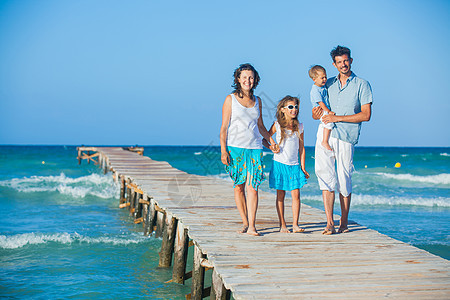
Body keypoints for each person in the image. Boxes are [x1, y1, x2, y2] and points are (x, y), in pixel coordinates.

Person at [312, 45, 373, 235]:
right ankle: (329, 223)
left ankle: (343, 223)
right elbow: (319, 112)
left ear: (351, 61)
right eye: (339, 62)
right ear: (334, 64)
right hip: (325, 135)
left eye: (345, 61)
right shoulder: (327, 83)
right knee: (325, 177)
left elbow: (366, 115)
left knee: (344, 178)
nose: (343, 65)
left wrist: (337, 118)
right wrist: (315, 114)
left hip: (346, 137)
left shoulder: (362, 84)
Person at [220, 63, 278, 236]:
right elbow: (224, 128)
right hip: (235, 148)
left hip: (255, 148)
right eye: (244, 77)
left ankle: (252, 226)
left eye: (251, 77)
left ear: (255, 80)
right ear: (238, 79)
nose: (248, 80)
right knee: (239, 187)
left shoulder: (257, 101)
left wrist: (271, 141)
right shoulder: (230, 99)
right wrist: (223, 150)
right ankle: (245, 221)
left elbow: (260, 126)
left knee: (253, 187)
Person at [265, 96, 310, 233]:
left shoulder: (300, 126)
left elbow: (301, 148)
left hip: (294, 165)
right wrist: (272, 146)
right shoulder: (277, 125)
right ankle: (282, 225)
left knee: (296, 194)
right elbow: (264, 139)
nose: (294, 109)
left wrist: (302, 167)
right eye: (290, 107)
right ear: (283, 110)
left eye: (296, 107)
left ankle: (295, 225)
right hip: (280, 164)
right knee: (281, 195)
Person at [309, 65, 334, 151]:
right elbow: (321, 103)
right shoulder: (315, 89)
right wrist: (328, 111)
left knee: (326, 124)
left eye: (325, 77)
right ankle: (324, 141)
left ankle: (325, 140)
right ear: (314, 79)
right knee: (328, 123)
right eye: (322, 78)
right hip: (320, 109)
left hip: (324, 108)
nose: (324, 79)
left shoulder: (323, 87)